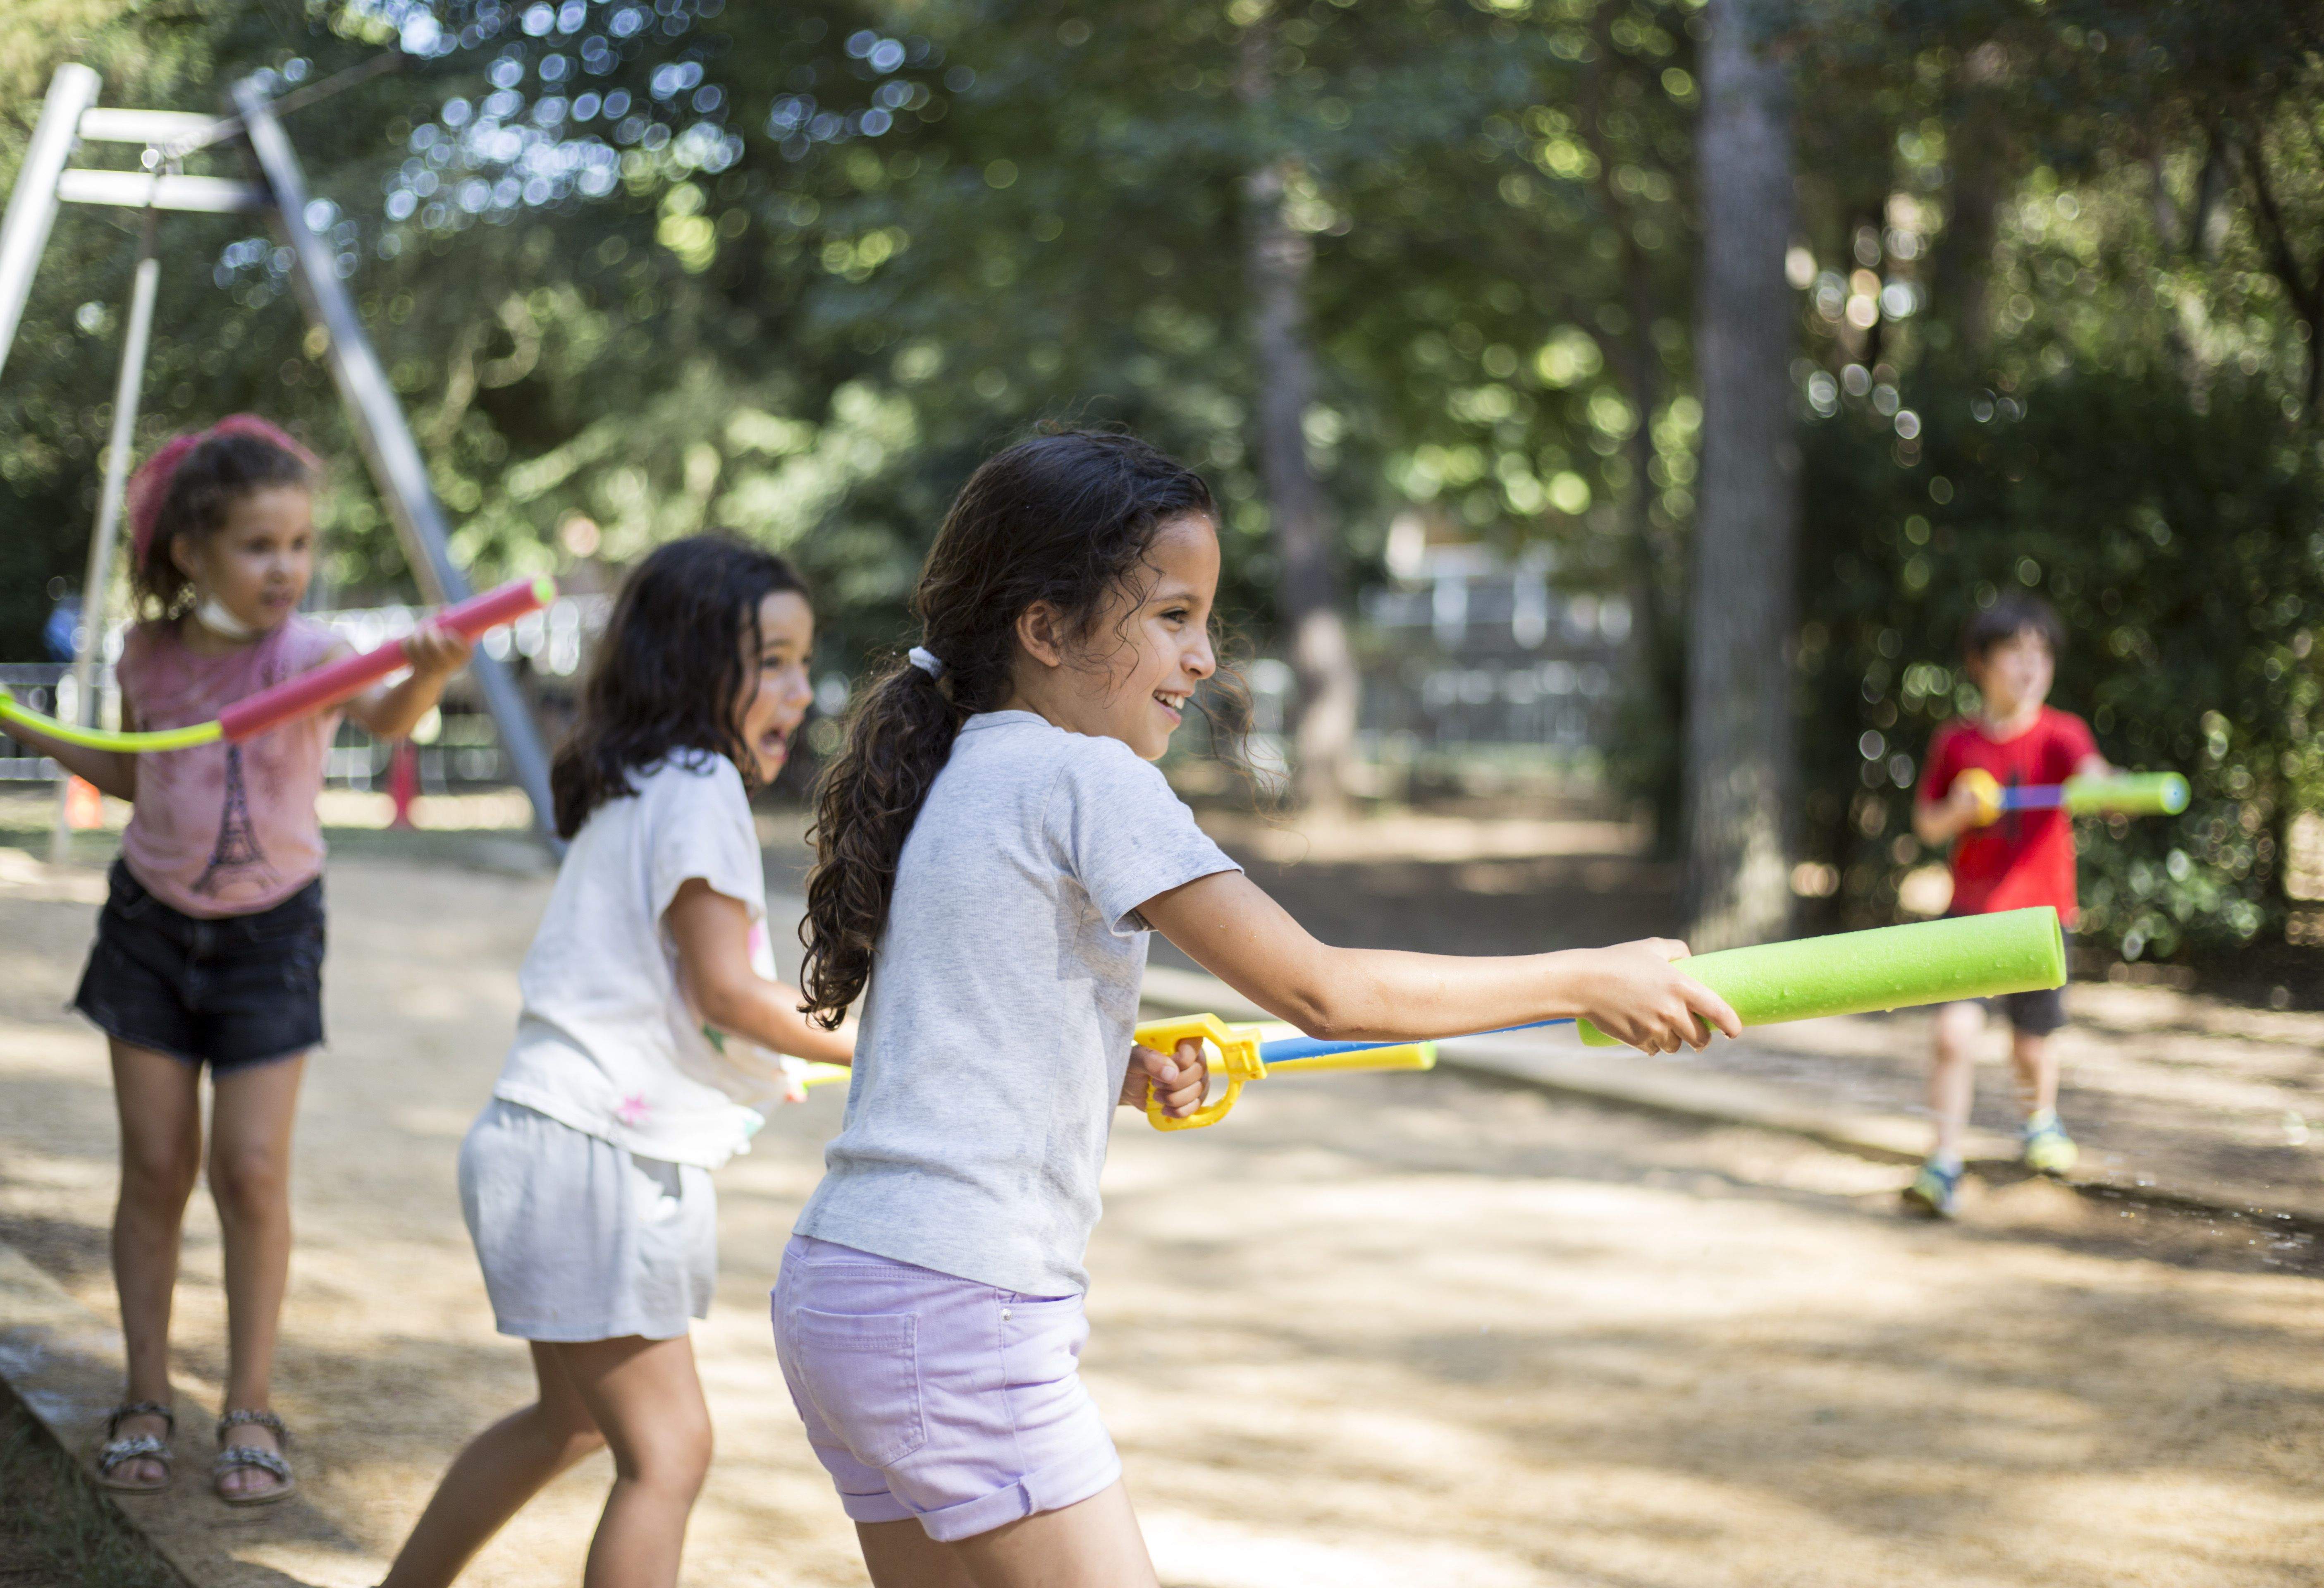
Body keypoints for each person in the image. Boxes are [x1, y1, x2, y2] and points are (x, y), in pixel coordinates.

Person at [781, 429, 1739, 1588]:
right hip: (962, 1306)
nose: (1202, 661)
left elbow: (969, 1012)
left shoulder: (966, 769)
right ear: (1044, 629)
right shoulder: (1090, 778)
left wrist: (1113, 1060)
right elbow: (1324, 989)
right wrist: (1589, 976)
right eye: (1171, 617)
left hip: (845, 1292)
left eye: (1207, 622)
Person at [8, 417, 472, 1503]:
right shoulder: (147, 654)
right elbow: (135, 774)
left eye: (301, 544)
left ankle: (249, 1404)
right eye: (261, 545)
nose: (288, 567)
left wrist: (429, 677)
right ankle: (144, 1394)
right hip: (147, 930)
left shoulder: (308, 655)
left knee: (251, 1172)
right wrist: (30, 731)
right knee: (157, 1172)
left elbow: (391, 717)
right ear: (191, 554)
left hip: (272, 937)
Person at [377, 536, 856, 1588]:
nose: (799, 688)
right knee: (669, 1451)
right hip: (592, 1156)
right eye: (771, 660)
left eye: (800, 661)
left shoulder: (648, 779)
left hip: (560, 1141)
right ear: (691, 664)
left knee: (571, 1426)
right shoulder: (697, 792)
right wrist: (884, 1042)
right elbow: (726, 993)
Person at [1905, 596, 2111, 1217]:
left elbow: (2094, 773)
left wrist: (2104, 786)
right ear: (1981, 664)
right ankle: (1942, 1162)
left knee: (2031, 1048)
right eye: (2015, 654)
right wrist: (1958, 813)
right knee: (1952, 1036)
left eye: (2041, 655)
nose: (2030, 668)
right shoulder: (1956, 742)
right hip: (1969, 918)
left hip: (2042, 922)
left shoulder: (2062, 734)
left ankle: (2040, 1122)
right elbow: (1927, 825)